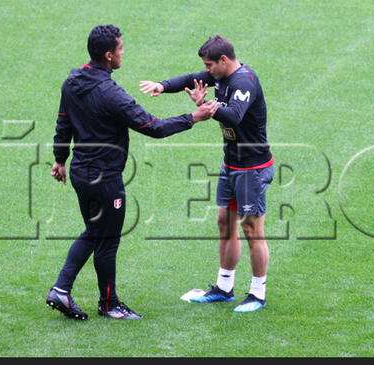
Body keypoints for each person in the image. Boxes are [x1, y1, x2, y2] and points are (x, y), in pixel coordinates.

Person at [46, 25, 219, 320]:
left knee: (95, 232)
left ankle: (65, 291)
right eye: (121, 49)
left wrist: (60, 159)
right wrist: (194, 117)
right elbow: (153, 127)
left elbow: (63, 122)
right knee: (107, 238)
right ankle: (107, 303)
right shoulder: (111, 95)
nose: (124, 53)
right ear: (109, 55)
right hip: (105, 179)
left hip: (80, 173)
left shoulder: (71, 82)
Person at [139, 35, 273, 313]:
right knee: (224, 222)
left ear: (224, 60)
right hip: (232, 164)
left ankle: (258, 294)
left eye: (209, 65)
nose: (206, 70)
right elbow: (190, 78)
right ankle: (224, 288)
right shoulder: (220, 75)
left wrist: (209, 108)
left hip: (252, 168)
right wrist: (161, 86)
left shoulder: (243, 82)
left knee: (251, 229)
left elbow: (234, 115)